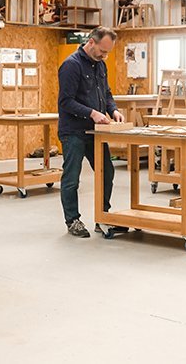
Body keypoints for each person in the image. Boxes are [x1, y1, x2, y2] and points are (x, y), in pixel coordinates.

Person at [57, 26, 125, 238]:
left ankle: (102, 216)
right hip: (74, 131)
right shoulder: (71, 66)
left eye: (107, 52)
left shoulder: (100, 65)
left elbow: (106, 92)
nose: (104, 55)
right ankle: (72, 220)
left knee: (107, 171)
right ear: (91, 42)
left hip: (95, 132)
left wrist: (113, 110)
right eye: (102, 51)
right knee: (71, 178)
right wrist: (92, 113)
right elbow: (65, 102)